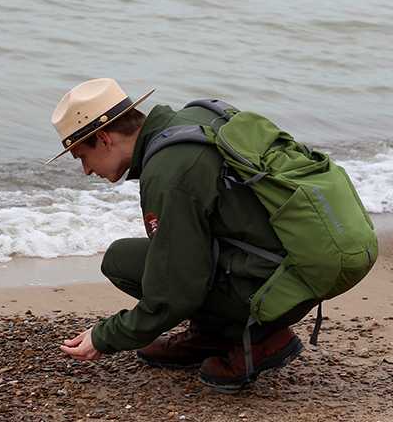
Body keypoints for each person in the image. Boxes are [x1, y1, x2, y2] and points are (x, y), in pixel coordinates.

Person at [48, 78, 316, 392]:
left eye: (81, 156)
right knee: (123, 259)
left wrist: (104, 337)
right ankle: (212, 334)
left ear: (104, 138)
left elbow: (175, 291)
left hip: (273, 290)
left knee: (146, 267)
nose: (86, 171)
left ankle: (261, 338)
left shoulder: (168, 170)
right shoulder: (194, 119)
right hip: (294, 267)